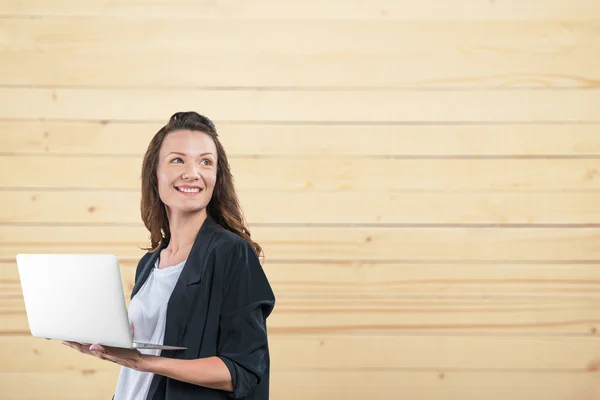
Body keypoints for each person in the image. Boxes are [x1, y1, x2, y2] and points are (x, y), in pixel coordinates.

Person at [61, 111, 276, 400]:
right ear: (155, 173)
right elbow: (146, 350)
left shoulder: (230, 253)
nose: (193, 172)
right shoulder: (150, 262)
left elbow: (243, 370)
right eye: (178, 160)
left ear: (216, 176)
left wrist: (143, 362)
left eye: (205, 162)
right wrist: (106, 343)